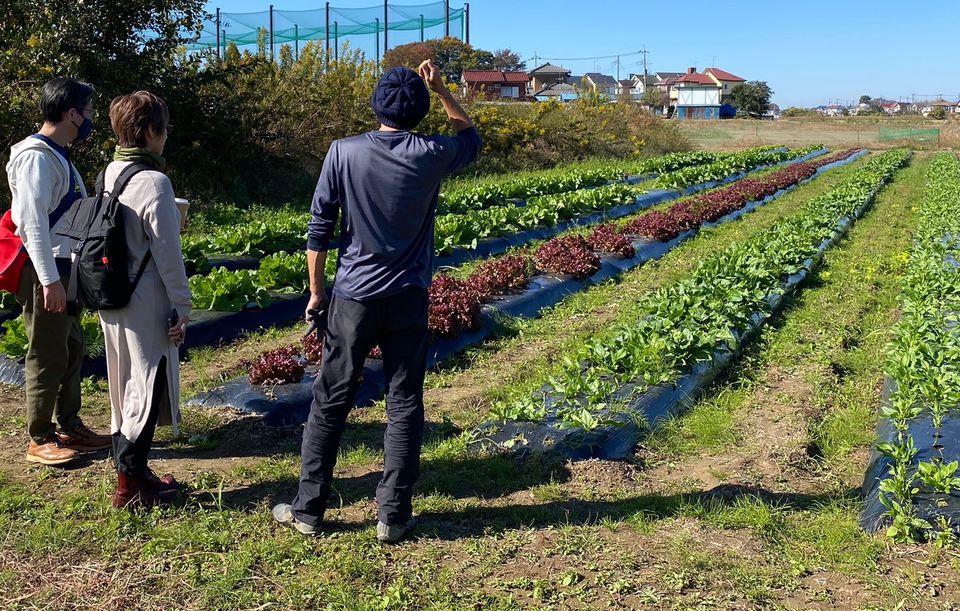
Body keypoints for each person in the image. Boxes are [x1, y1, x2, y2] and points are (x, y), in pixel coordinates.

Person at [272, 60, 481, 542]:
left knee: (331, 399)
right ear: (420, 111)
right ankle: (393, 515)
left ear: (376, 106)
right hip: (408, 296)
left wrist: (317, 292)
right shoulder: (432, 152)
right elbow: (470, 137)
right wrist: (443, 89)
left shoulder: (342, 152)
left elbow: (319, 229)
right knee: (404, 401)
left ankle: (308, 510)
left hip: (353, 298)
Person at [5, 77, 113, 466]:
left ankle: (70, 425)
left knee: (71, 347)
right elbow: (32, 223)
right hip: (44, 270)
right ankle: (39, 437)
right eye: (88, 112)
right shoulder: (35, 157)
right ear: (71, 114)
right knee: (48, 351)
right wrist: (49, 281)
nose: (90, 119)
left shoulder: (56, 155)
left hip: (64, 268)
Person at [99, 91, 191, 508]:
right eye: (164, 128)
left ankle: (134, 474)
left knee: (123, 384)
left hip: (112, 293)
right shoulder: (154, 182)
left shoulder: (111, 172)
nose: (166, 135)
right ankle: (131, 485)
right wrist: (183, 307)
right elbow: (168, 255)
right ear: (152, 131)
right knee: (148, 385)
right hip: (146, 298)